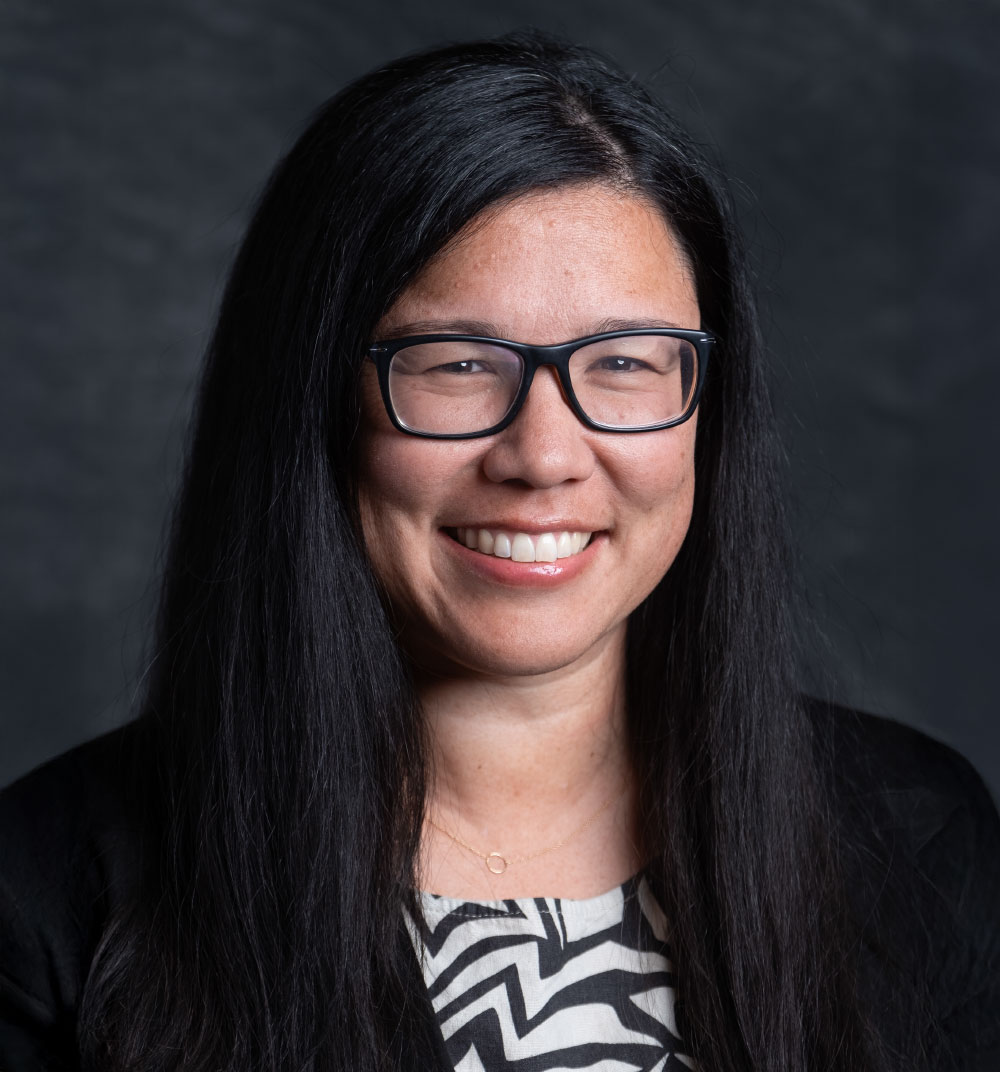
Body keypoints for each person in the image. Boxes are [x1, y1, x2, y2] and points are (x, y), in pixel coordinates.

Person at [1, 29, 997, 1072]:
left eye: (622, 362)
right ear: (314, 400)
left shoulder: (917, 840)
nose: (544, 454)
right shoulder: (47, 901)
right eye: (458, 363)